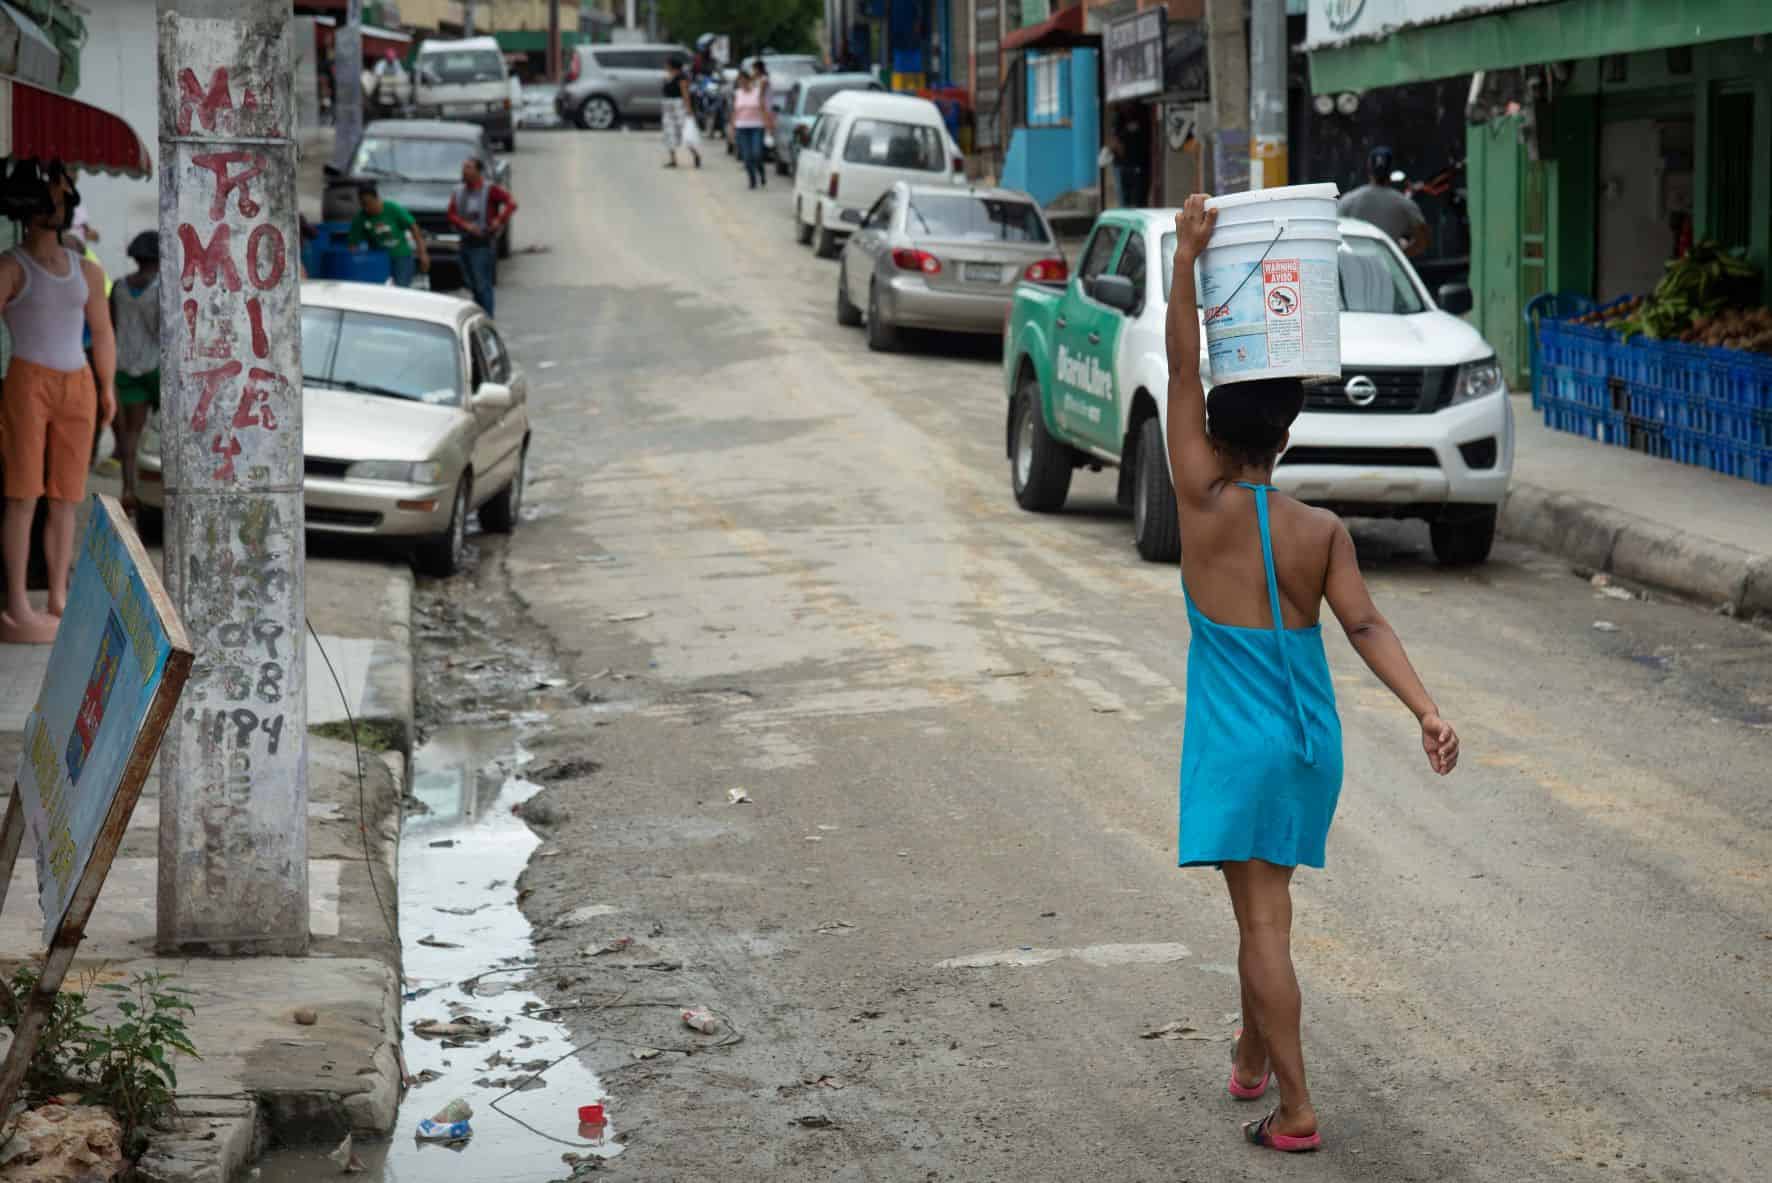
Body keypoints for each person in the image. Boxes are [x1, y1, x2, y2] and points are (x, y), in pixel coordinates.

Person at [1163, 194, 1459, 1153]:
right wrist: (1427, 710)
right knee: (1264, 905)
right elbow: (1366, 624)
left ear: (1213, 431)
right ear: (1285, 436)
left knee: (1260, 923)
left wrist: (1189, 263)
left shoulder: (1198, 503)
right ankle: (1251, 1058)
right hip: (1305, 743)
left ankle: (1293, 1109)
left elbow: (1178, 364)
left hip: (1234, 745)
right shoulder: (1320, 531)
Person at [0, 164, 116, 644]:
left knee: (67, 496)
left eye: (64, 195)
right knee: (23, 494)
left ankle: (58, 596)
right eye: (53, 196)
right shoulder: (10, 267)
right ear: (30, 209)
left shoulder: (85, 269)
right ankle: (18, 602)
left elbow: (103, 332)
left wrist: (106, 386)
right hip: (27, 380)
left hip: (79, 381)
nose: (61, 203)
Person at [109, 231, 159, 516]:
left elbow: (111, 326)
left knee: (131, 433)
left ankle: (128, 489)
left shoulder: (118, 287)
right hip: (157, 367)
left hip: (126, 366)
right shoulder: (163, 288)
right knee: (165, 430)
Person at [447, 157, 516, 317]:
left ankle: (487, 317)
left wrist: (499, 220)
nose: (465, 171)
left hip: (482, 244)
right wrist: (465, 225)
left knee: (482, 284)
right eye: (464, 167)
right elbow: (451, 213)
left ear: (479, 172)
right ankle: (479, 313)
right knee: (470, 283)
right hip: (465, 241)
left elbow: (511, 203)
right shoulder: (458, 191)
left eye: (469, 168)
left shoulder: (490, 190)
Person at [1338, 146, 1431, 257]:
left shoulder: (1349, 200)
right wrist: (1399, 256)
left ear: (1369, 168)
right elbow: (1423, 240)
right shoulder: (1404, 204)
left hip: (1355, 268)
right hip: (1388, 270)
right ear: (1391, 170)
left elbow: (1334, 234)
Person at [349, 181, 429, 287]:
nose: (366, 208)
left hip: (401, 257)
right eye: (363, 205)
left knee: (401, 289)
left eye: (369, 204)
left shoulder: (392, 209)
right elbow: (352, 244)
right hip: (378, 260)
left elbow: (414, 228)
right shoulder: (360, 218)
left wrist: (422, 253)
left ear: (376, 198)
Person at [660, 58, 701, 169]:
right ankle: (673, 159)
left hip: (679, 105)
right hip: (668, 106)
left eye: (667, 65)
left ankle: (695, 154)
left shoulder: (682, 78)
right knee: (669, 132)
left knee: (685, 131)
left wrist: (688, 109)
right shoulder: (667, 77)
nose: (666, 66)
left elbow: (685, 93)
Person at [731, 69, 769, 189]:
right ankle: (752, 179)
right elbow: (735, 111)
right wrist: (732, 128)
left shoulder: (757, 92)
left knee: (756, 153)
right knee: (747, 156)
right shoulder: (737, 93)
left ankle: (761, 171)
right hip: (742, 127)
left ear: (748, 80)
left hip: (756, 127)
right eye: (739, 81)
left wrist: (768, 124)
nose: (742, 83)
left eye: (743, 80)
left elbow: (763, 108)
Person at [1110, 102, 1152, 208]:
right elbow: (1116, 142)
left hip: (1139, 164)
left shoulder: (1142, 114)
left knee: (1139, 199)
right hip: (1123, 165)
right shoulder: (1118, 118)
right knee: (1125, 199)